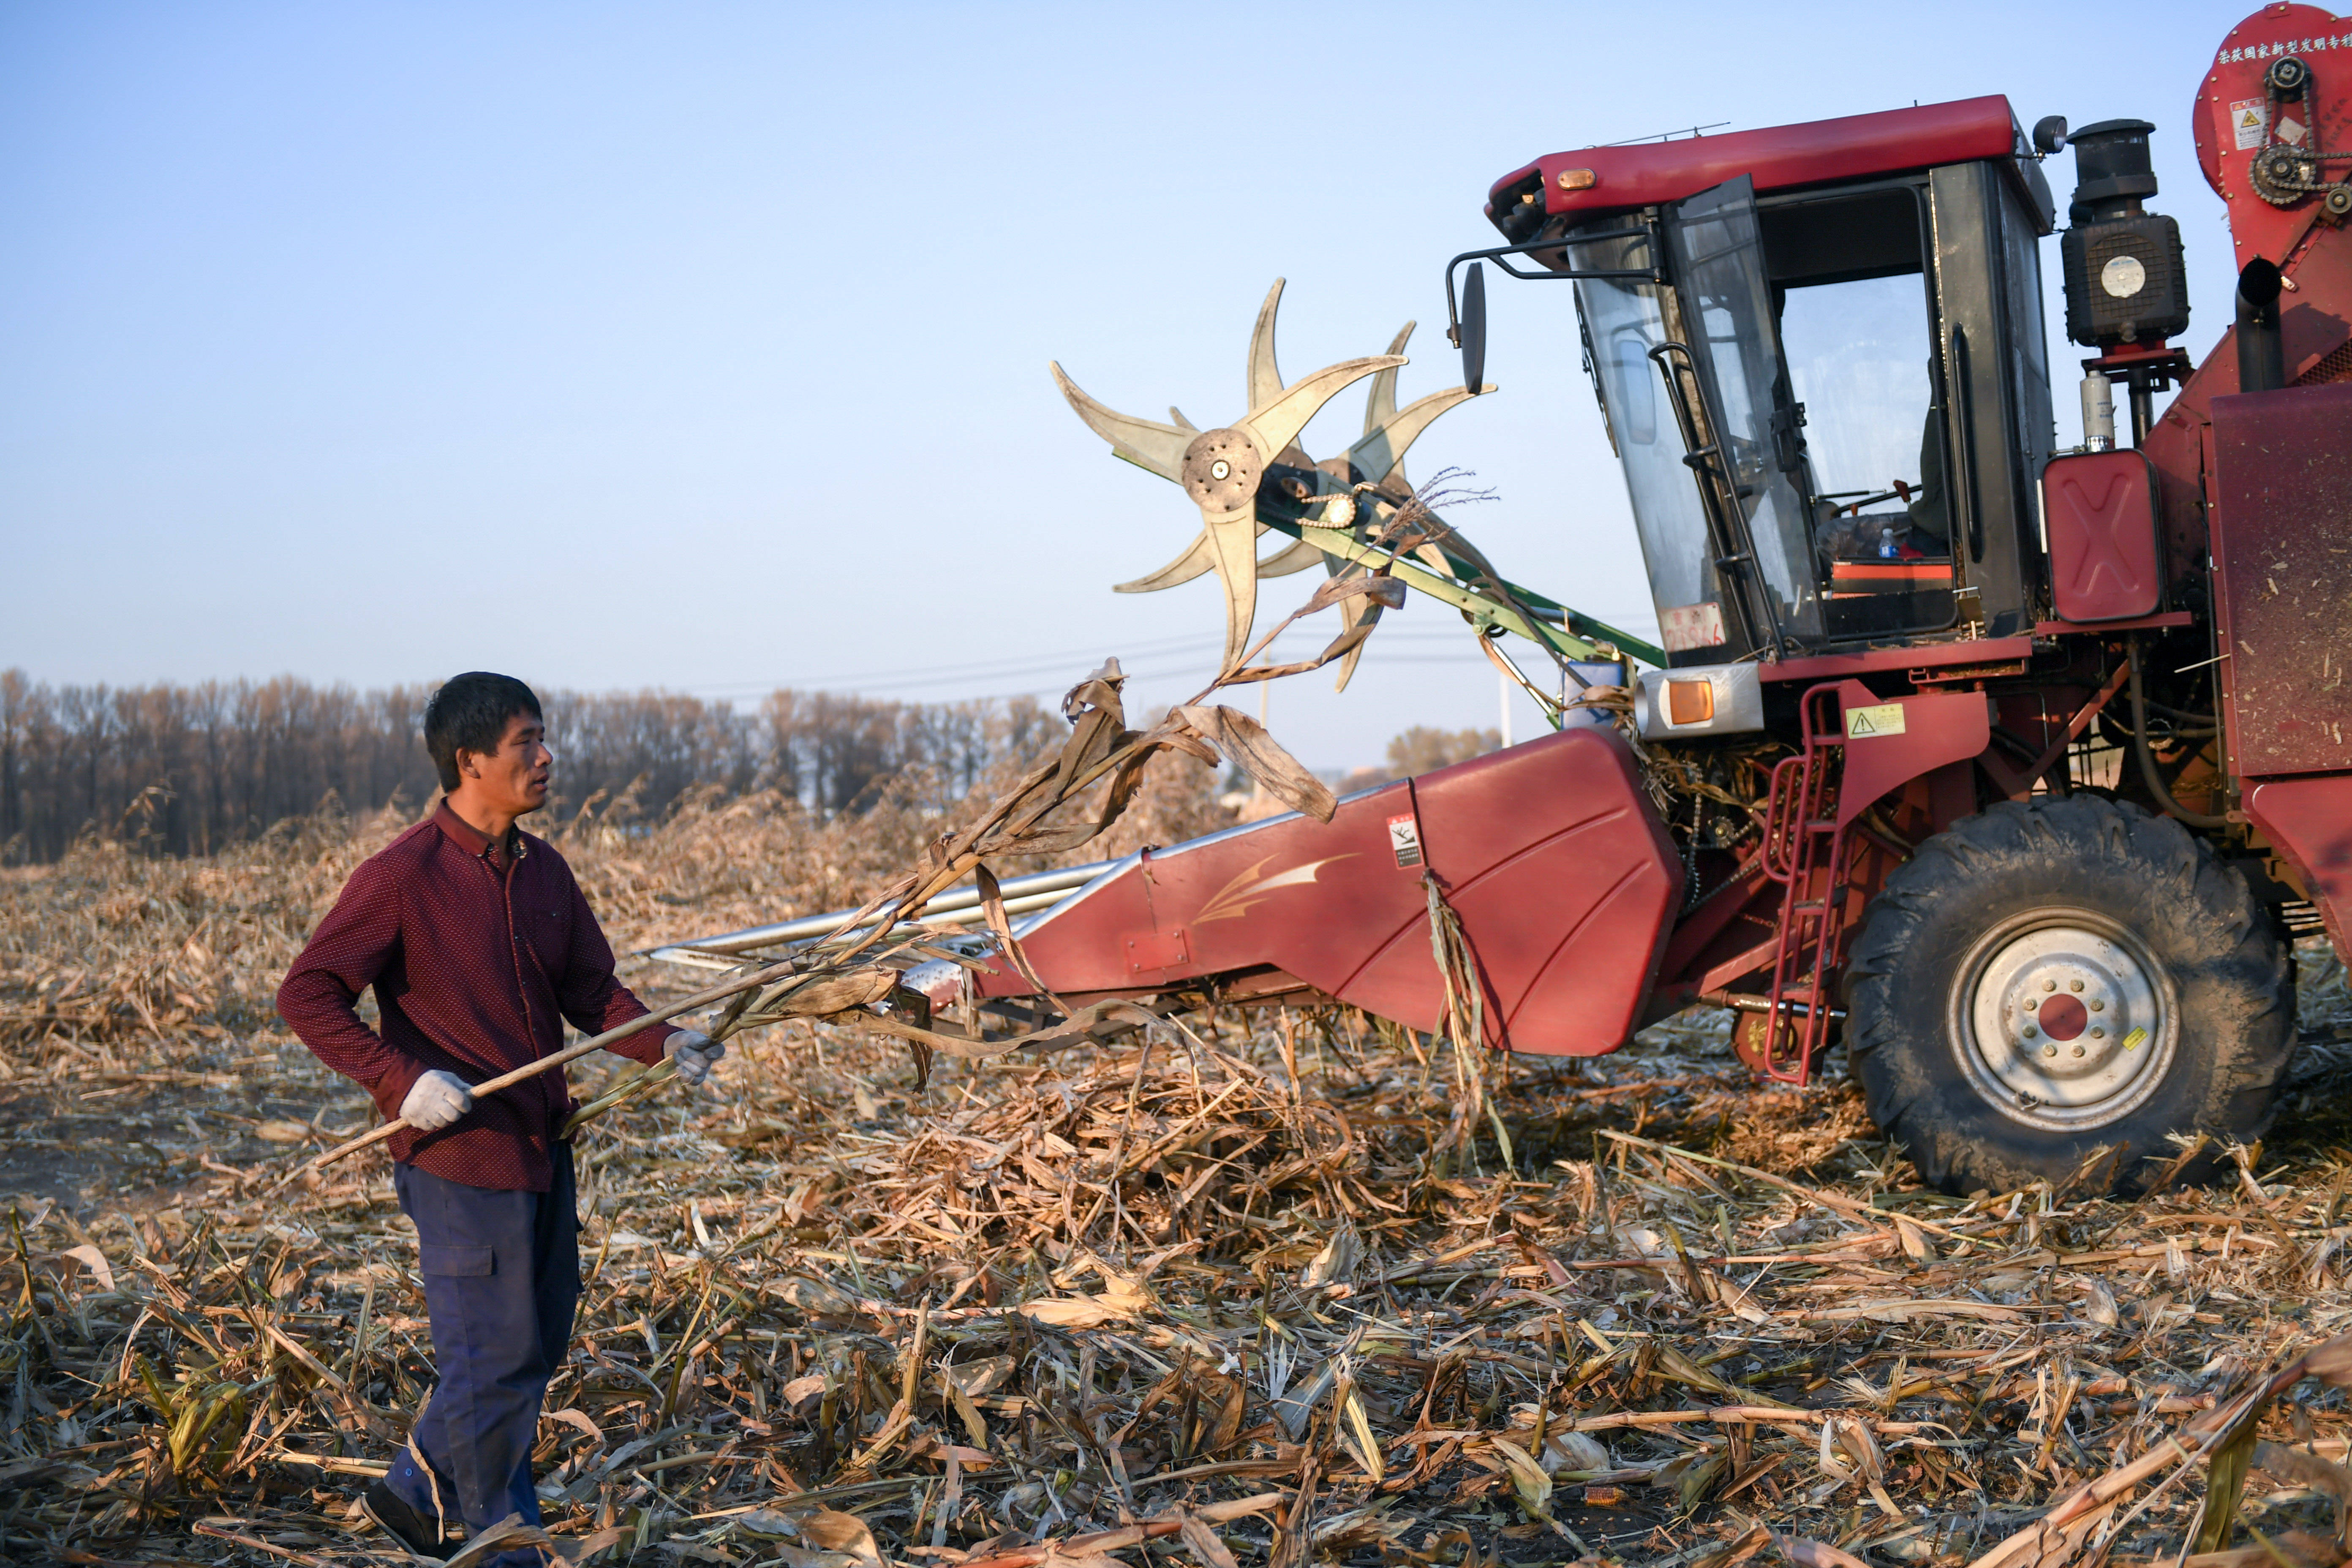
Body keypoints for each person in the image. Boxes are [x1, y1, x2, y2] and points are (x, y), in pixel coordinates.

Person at [276, 672, 726, 1564]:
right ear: (469, 758)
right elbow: (309, 991)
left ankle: (413, 1490)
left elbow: (593, 992)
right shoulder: (403, 877)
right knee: (495, 1352)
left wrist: (667, 1042)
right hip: (456, 1156)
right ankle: (496, 1535)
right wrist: (399, 1079)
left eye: (543, 736)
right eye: (527, 741)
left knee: (536, 1339)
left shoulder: (545, 870)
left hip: (542, 1146)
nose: (546, 755)